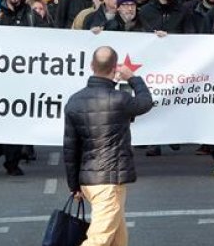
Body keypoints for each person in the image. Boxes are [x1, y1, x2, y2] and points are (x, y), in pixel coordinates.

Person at [64, 46, 153, 246]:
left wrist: (74, 185)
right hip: (110, 181)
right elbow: (146, 102)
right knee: (99, 240)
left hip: (89, 180)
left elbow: (70, 148)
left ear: (91, 66)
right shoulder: (120, 99)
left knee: (117, 240)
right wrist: (133, 78)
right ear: (115, 69)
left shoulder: (74, 101)